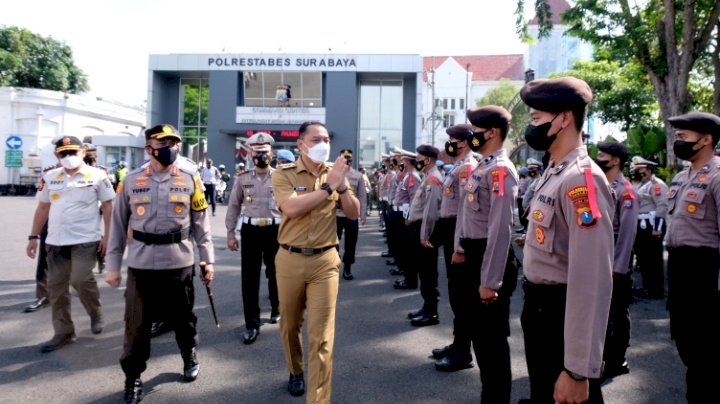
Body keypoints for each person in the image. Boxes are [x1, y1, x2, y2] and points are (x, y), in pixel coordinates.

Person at [518, 77, 614, 404]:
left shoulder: (580, 179)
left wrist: (576, 369)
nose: (530, 127)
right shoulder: (554, 171)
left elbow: (590, 281)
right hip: (540, 311)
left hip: (559, 316)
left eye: (536, 119)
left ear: (564, 118)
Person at [105, 124, 215, 404]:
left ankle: (188, 352)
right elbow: (117, 226)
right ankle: (133, 378)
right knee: (136, 325)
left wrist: (207, 260)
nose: (170, 147)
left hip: (179, 260)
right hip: (141, 263)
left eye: (173, 143)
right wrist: (113, 265)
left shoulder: (191, 178)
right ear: (149, 148)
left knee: (183, 318)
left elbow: (202, 223)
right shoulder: (130, 180)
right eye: (163, 142)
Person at [272, 121, 360, 402]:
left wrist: (342, 187)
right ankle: (295, 370)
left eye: (326, 139)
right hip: (289, 258)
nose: (323, 144)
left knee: (321, 336)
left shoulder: (335, 174)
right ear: (300, 144)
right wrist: (327, 188)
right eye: (316, 139)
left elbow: (354, 213)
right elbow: (292, 208)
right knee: (289, 324)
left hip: (325, 260)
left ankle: (318, 399)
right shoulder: (283, 174)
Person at [450, 106, 519, 403]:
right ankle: (489, 396)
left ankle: (496, 398)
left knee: (491, 343)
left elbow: (500, 230)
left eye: (475, 130)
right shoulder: (482, 166)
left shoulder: (500, 170)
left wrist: (490, 280)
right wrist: (460, 249)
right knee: (481, 339)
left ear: (491, 132)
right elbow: (467, 215)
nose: (470, 136)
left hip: (489, 261)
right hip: (474, 255)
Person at [26, 135, 115, 353]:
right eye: (63, 154)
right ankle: (64, 333)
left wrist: (108, 237)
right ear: (57, 155)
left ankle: (95, 313)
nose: (68, 157)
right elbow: (43, 208)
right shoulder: (50, 176)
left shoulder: (97, 175)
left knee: (80, 279)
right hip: (56, 241)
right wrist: (33, 236)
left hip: (85, 239)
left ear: (83, 153)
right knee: (56, 289)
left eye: (73, 152)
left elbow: (108, 207)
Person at [664, 112, 720, 403]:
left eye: (684, 136)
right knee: (685, 341)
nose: (678, 141)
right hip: (679, 268)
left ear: (706, 139)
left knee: (705, 351)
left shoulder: (717, 176)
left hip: (704, 270)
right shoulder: (682, 176)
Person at [225, 132, 281, 345]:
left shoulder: (281, 177)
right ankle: (252, 323)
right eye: (257, 153)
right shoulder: (242, 178)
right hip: (250, 231)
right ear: (250, 155)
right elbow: (233, 206)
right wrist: (231, 233)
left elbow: (290, 204)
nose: (260, 156)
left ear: (272, 153)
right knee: (249, 278)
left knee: (276, 272)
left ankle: (277, 306)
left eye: (264, 152)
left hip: (275, 231)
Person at [431, 123, 478, 371]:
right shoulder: (459, 166)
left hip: (458, 234)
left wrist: (459, 245)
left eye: (453, 139)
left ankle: (463, 351)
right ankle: (457, 342)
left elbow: (465, 211)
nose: (449, 143)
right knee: (455, 293)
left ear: (465, 142)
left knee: (461, 296)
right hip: (450, 230)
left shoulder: (467, 168)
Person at [595, 141, 638, 381]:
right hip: (599, 259)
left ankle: (617, 359)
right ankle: (602, 356)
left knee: (617, 313)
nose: (598, 158)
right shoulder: (601, 186)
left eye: (602, 155)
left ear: (614, 160)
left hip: (615, 263)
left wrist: (618, 268)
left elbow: (628, 233)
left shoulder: (625, 191)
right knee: (601, 312)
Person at [405, 145, 444, 327]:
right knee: (423, 271)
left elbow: (431, 211)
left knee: (428, 273)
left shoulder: (433, 179)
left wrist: (425, 235)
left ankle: (431, 312)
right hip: (420, 228)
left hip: (425, 230)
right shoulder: (428, 176)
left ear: (427, 160)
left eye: (419, 158)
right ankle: (426, 306)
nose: (417, 162)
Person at [630, 155, 668, 299]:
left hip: (652, 225)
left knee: (654, 258)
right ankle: (647, 286)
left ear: (649, 169)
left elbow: (662, 206)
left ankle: (656, 290)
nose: (638, 171)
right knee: (644, 258)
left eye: (641, 169)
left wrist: (657, 228)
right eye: (636, 168)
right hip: (641, 225)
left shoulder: (656, 184)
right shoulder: (639, 184)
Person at [392, 150, 423, 290]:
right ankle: (407, 278)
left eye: (403, 161)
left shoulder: (413, 177)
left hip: (408, 218)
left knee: (409, 251)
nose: (401, 163)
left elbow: (414, 200)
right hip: (403, 216)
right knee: (405, 249)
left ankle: (410, 281)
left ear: (409, 162)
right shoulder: (407, 176)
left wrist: (409, 217)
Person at [336, 149, 367, 280]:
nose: (347, 161)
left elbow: (362, 196)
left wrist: (363, 214)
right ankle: (333, 266)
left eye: (349, 159)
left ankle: (347, 267)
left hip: (351, 214)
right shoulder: (333, 173)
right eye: (344, 158)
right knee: (332, 242)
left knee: (351, 242)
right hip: (335, 214)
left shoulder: (357, 175)